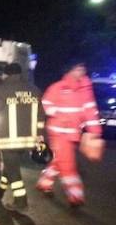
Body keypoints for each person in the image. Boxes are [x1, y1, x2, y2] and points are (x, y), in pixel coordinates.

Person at [36, 61, 102, 207]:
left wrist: (95, 131)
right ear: (69, 70)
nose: (81, 71)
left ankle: (44, 183)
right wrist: (60, 115)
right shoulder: (57, 87)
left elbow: (90, 112)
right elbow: (46, 104)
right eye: (78, 68)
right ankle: (75, 195)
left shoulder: (85, 89)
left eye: (83, 68)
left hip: (73, 134)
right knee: (68, 164)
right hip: (58, 133)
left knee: (58, 160)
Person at [0, 63, 43, 210]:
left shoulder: (2, 90)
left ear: (6, 75)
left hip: (7, 140)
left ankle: (21, 201)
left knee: (13, 170)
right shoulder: (34, 90)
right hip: (28, 139)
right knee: (10, 167)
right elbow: (41, 116)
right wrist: (39, 135)